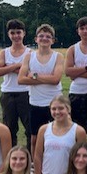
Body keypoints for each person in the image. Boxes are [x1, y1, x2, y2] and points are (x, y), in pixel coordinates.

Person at [34, 95, 87, 174]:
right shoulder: (44, 129)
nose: (57, 112)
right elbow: (38, 155)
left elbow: (84, 157)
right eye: (53, 109)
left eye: (61, 108)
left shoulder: (78, 131)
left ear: (68, 109)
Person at [18, 24, 64, 153]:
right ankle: (35, 164)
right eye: (41, 36)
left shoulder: (58, 56)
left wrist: (34, 76)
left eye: (48, 37)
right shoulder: (29, 56)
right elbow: (21, 79)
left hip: (54, 103)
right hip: (35, 103)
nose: (44, 38)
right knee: (35, 138)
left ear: (53, 40)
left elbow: (56, 80)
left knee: (57, 136)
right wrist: (46, 78)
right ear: (36, 39)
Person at [0, 19, 31, 150]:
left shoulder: (30, 53)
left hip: (26, 93)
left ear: (24, 33)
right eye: (12, 33)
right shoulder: (4, 53)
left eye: (18, 32)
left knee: (30, 128)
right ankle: (10, 157)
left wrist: (8, 66)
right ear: (8, 34)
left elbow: (30, 74)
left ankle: (30, 159)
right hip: (8, 93)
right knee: (9, 128)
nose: (16, 36)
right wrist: (18, 66)